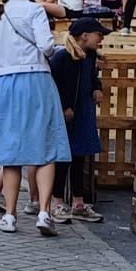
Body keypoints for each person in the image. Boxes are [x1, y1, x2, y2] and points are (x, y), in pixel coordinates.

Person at [0, 0, 69, 236]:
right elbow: (47, 46)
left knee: (10, 151)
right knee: (46, 147)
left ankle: (9, 215)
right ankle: (44, 212)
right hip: (36, 80)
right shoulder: (35, 11)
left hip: (5, 83)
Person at [49, 17, 106, 224]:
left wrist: (97, 88)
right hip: (67, 115)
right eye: (98, 35)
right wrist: (64, 106)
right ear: (85, 36)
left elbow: (92, 77)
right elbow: (52, 84)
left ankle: (78, 203)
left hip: (83, 112)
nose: (101, 40)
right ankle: (56, 201)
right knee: (63, 158)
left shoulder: (88, 56)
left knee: (80, 156)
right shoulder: (61, 57)